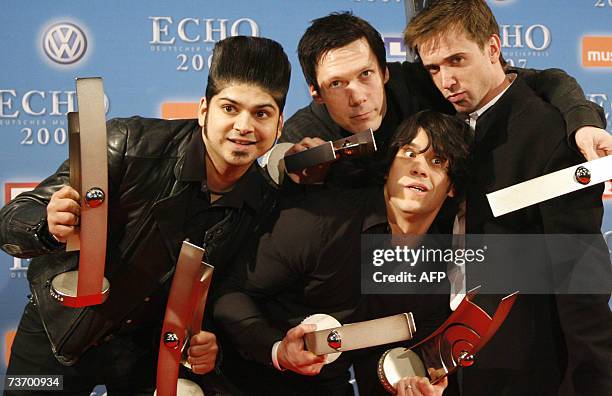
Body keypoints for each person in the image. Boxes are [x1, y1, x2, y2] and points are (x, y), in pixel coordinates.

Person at [0, 35, 290, 395]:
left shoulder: (265, 202)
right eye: (230, 108)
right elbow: (13, 216)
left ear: (278, 127)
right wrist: (46, 224)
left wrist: (204, 339)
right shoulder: (129, 143)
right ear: (203, 110)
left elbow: (226, 291)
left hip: (145, 354)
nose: (244, 126)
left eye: (261, 113)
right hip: (56, 333)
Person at [404, 1, 612, 395]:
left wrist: (592, 382)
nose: (447, 80)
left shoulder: (549, 131)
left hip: (528, 366)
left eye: (457, 60)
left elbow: (580, 272)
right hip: (447, 362)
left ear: (493, 48)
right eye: (434, 69)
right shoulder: (438, 122)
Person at [214, 110, 473, 395]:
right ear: (388, 167)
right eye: (409, 153)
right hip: (247, 381)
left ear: (453, 187)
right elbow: (231, 293)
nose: (419, 168)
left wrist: (412, 386)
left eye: (437, 161)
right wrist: (278, 349)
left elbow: (389, 363)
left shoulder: (439, 273)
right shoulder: (320, 220)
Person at [281, 12, 611, 188]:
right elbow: (278, 161)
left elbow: (542, 81)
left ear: (384, 72)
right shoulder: (309, 130)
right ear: (317, 93)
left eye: (365, 74)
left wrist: (582, 124)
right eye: (336, 84)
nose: (357, 96)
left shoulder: (424, 80)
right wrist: (291, 166)